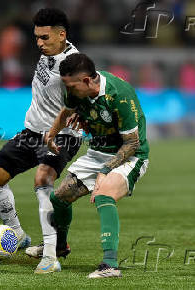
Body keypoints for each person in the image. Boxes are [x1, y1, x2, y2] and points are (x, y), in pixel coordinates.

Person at [0, 8, 82, 272]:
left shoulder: (73, 65)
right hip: (32, 132)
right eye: (37, 37)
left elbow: (82, 101)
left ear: (62, 35)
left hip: (62, 136)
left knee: (42, 180)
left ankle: (50, 256)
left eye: (45, 37)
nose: (39, 43)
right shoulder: (48, 51)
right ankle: (18, 235)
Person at [45, 53, 149, 278]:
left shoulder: (119, 94)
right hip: (98, 152)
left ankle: (110, 265)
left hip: (130, 156)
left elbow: (132, 143)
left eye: (71, 86)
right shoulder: (74, 90)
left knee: (104, 194)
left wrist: (104, 172)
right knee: (59, 197)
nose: (67, 91)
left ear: (87, 81)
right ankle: (59, 247)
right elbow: (67, 111)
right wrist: (52, 134)